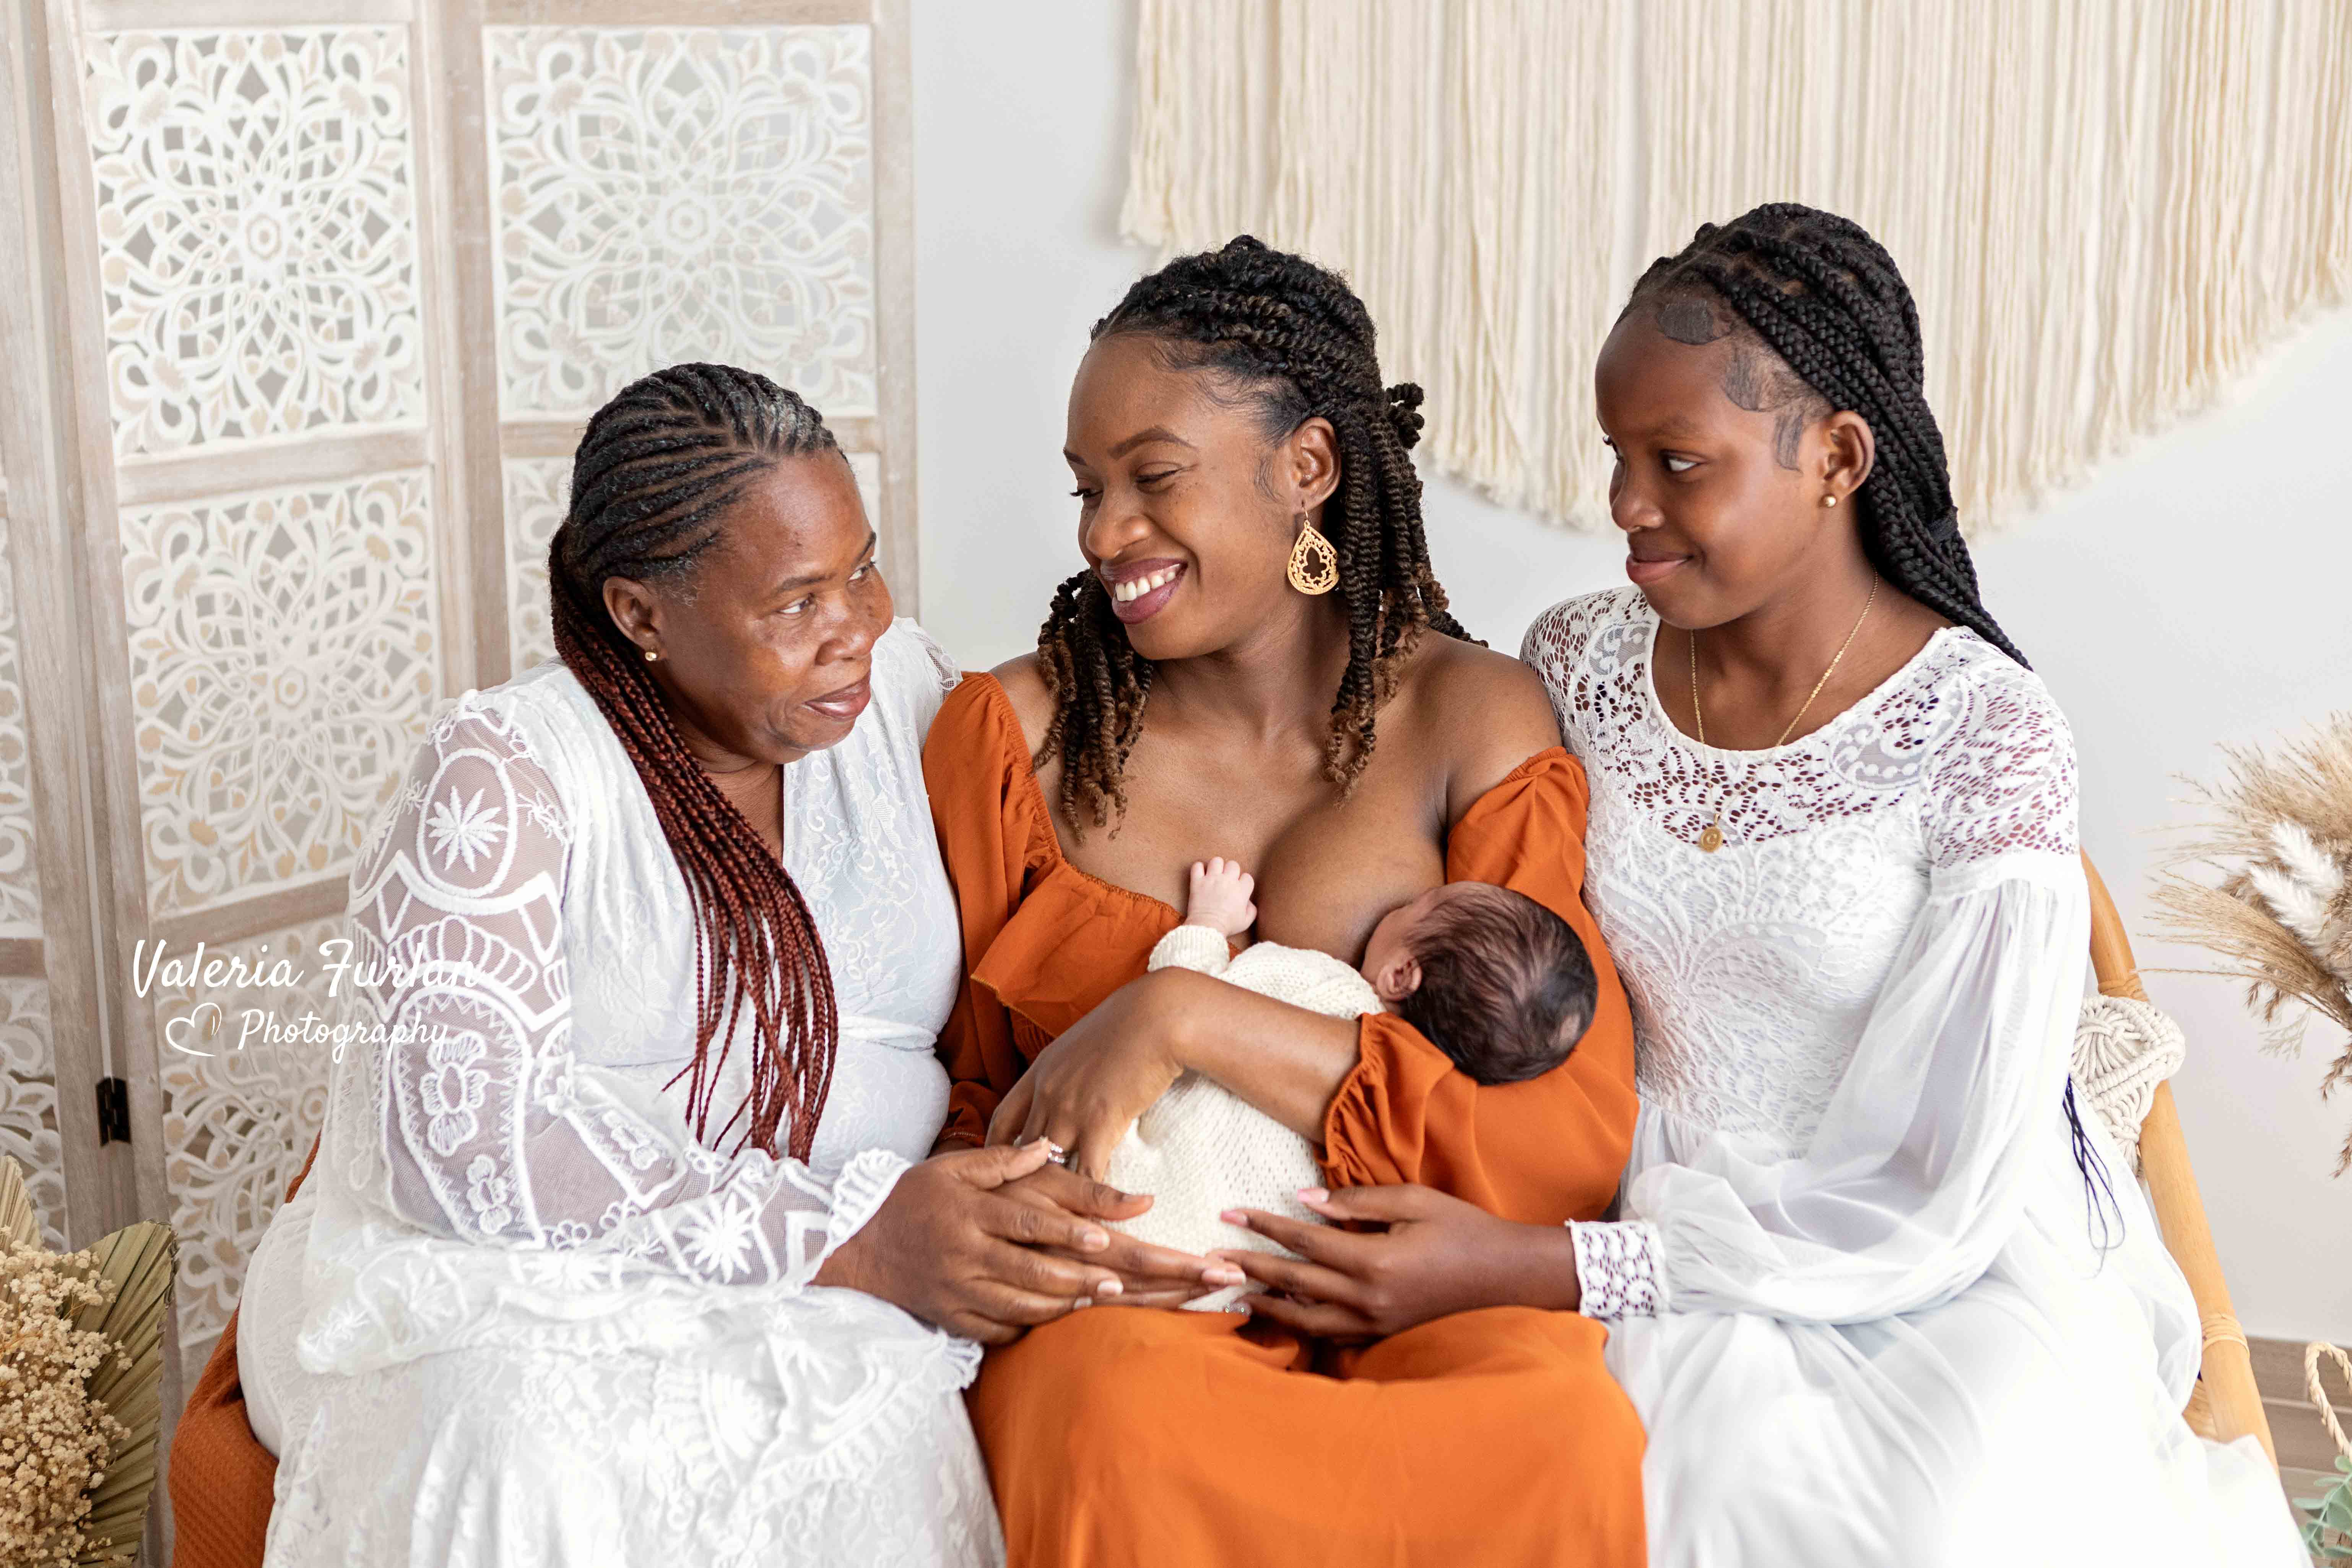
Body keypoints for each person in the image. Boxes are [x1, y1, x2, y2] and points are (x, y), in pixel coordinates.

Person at [169, 363, 1226, 1568]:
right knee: (525, 1435)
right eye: (795, 602)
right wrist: (843, 1237)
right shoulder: (509, 770)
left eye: (863, 570)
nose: (858, 626)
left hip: (851, 1278)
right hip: (500, 1280)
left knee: (878, 1416)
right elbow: (464, 1141)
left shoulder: (907, 702)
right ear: (642, 614)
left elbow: (1066, 875)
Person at [1500, 203, 2308, 1565]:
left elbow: (1944, 1178)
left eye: (1676, 462)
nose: (1626, 506)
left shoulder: (1984, 730)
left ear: (1836, 456)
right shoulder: (1575, 662)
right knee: (1554, 1474)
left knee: (1907, 1517)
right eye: (1616, 456)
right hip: (1614, 1180)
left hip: (1926, 1242)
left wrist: (1569, 1269)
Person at [923, 236, 1647, 1568]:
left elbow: (1560, 1129)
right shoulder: (1012, 737)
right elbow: (960, 1091)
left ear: (1307, 469)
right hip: (1130, 1300)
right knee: (1109, 1422)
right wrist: (1024, 1227)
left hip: (1402, 1292)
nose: (1101, 535)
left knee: (1563, 1425)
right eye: (1087, 489)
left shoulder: (1467, 718)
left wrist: (1182, 1017)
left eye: (1153, 479)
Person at [1105, 857, 1599, 1308]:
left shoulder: (1322, 986)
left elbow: (1183, 993)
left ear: (1402, 974)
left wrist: (1208, 922)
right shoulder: (1388, 1141)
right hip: (1201, 1292)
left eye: (1416, 904)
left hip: (1123, 1195)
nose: (1404, 902)